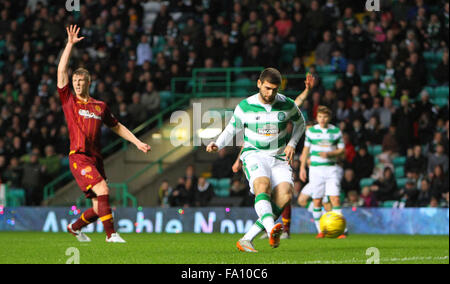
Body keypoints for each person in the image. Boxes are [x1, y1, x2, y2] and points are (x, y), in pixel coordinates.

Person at [58, 25, 151, 243]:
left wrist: (137, 142)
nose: (77, 85)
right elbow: (61, 71)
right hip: (78, 156)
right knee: (103, 189)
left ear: (88, 82)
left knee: (99, 206)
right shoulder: (69, 102)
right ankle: (111, 235)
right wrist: (70, 45)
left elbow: (117, 126)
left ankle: (74, 227)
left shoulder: (100, 106)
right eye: (75, 82)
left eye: (81, 81)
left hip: (95, 158)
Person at [207, 68, 306, 253]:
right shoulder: (245, 106)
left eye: (275, 90)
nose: (271, 93)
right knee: (263, 185)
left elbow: (300, 123)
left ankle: (247, 239)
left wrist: (292, 143)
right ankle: (271, 230)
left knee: (285, 195)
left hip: (278, 157)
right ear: (259, 84)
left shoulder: (287, 104)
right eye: (268, 88)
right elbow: (231, 129)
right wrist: (218, 144)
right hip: (254, 153)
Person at [299, 106, 347, 239]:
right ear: (317, 117)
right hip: (315, 170)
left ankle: (340, 231)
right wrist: (302, 168)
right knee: (317, 200)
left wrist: (330, 153)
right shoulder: (311, 132)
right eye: (320, 117)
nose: (322, 119)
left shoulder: (336, 131)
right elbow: (305, 150)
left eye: (324, 117)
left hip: (331, 168)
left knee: (335, 199)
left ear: (329, 118)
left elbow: (342, 150)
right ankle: (320, 230)